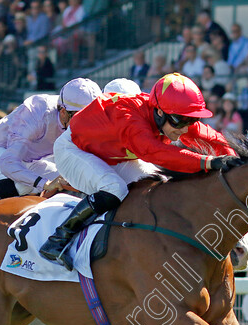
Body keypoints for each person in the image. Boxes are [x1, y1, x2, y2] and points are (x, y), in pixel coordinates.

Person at [39, 73, 237, 269]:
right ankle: (58, 239)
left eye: (189, 121)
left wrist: (236, 157)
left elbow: (210, 136)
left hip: (111, 154)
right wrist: (207, 162)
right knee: (115, 189)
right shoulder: (131, 120)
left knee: (158, 184)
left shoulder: (169, 115)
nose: (184, 129)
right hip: (73, 150)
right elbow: (157, 153)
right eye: (179, 121)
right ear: (159, 112)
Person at [0, 78, 102, 222]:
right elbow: (8, 164)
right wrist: (44, 184)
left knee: (71, 182)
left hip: (34, 160)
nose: (87, 125)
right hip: (0, 154)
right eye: (82, 118)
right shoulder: (38, 111)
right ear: (64, 112)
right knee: (27, 184)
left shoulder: (71, 112)